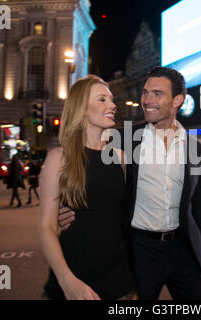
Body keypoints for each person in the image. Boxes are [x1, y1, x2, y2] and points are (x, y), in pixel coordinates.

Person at [58, 67, 201, 300]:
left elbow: (199, 203)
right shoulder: (123, 137)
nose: (147, 100)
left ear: (177, 100)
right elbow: (78, 156)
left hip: (185, 252)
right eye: (145, 92)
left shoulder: (196, 149)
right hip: (141, 252)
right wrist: (59, 200)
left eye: (157, 94)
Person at [39, 75, 135, 300]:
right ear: (81, 108)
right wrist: (67, 281)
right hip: (74, 278)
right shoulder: (59, 158)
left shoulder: (120, 158)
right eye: (102, 99)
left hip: (119, 281)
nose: (112, 105)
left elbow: (127, 216)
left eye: (111, 100)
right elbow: (46, 227)